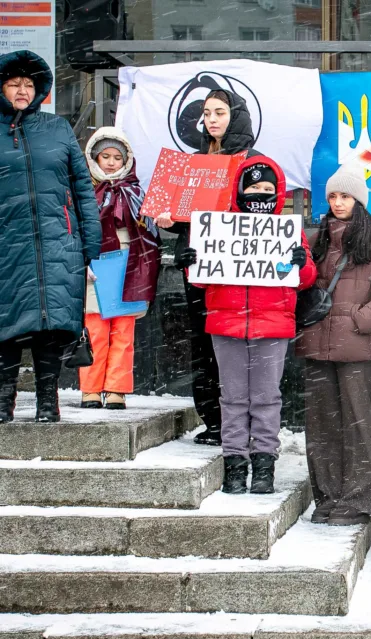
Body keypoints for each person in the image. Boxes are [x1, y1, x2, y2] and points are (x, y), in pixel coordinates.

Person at [179, 156, 315, 494]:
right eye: (254, 188)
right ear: (241, 190)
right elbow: (199, 282)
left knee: (266, 398)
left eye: (268, 189)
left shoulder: (289, 231)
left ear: (278, 192)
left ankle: (264, 465)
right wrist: (189, 263)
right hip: (226, 325)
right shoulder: (219, 227)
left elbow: (306, 278)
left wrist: (301, 263)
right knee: (234, 398)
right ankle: (235, 466)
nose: (261, 194)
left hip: (273, 327)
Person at [296, 166, 371, 524]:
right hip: (316, 343)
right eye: (332, 196)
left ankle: (358, 501)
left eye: (345, 196)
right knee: (321, 427)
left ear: (358, 200)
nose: (338, 202)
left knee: (358, 424)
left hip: (358, 346)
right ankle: (327, 498)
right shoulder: (317, 239)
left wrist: (361, 320)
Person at [0, 50, 101, 422]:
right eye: (14, 84)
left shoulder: (57, 128)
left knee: (50, 325)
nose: (22, 90)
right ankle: (3, 402)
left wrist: (91, 243)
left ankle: (48, 401)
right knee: (5, 325)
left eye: (29, 84)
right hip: (6, 245)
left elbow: (83, 189)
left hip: (58, 243)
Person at [156, 89, 260, 446]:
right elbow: (183, 217)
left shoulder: (254, 161)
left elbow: (264, 215)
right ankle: (213, 420)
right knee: (203, 345)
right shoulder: (193, 162)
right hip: (196, 271)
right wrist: (172, 225)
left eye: (220, 112)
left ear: (236, 116)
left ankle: (241, 422)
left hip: (238, 272)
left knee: (234, 345)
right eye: (207, 113)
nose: (212, 119)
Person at [79, 127, 161, 410]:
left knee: (123, 331)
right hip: (94, 264)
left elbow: (149, 231)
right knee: (95, 330)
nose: (111, 162)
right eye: (105, 156)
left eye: (117, 156)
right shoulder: (82, 191)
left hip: (129, 265)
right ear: (94, 158)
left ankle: (116, 388)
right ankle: (90, 388)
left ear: (127, 160)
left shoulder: (136, 191)